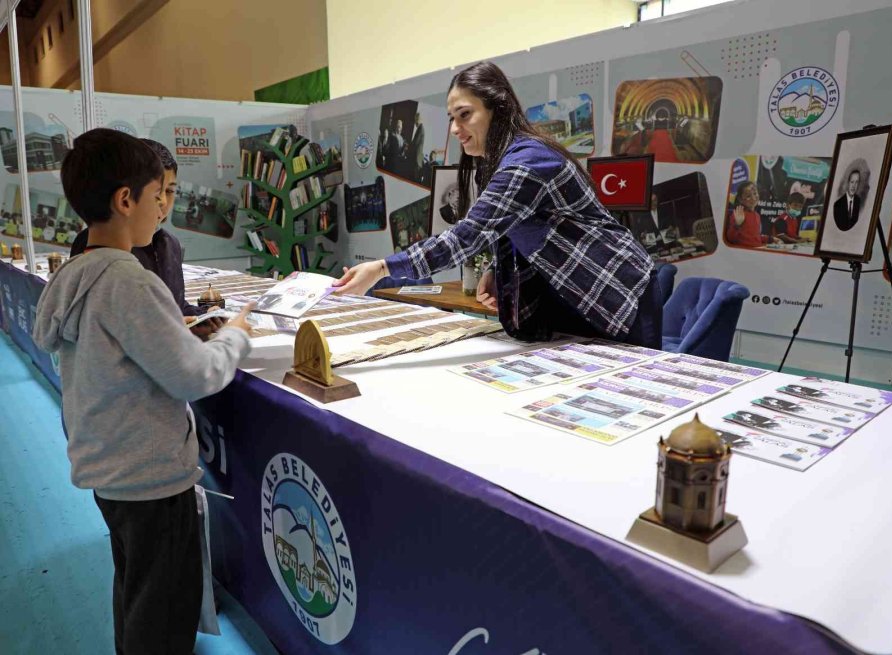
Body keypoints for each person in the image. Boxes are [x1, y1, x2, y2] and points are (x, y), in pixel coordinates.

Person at [32, 128, 254, 655]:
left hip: (111, 476)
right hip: (152, 482)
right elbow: (194, 376)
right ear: (126, 199)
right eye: (158, 197)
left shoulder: (76, 275)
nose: (163, 210)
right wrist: (236, 337)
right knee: (164, 616)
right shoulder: (129, 281)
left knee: (136, 594)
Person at [334, 61, 661, 347]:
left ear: (498, 109)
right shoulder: (497, 163)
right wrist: (494, 268)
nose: (455, 129)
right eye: (451, 117)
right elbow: (514, 225)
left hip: (616, 293)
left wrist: (382, 269)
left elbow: (467, 237)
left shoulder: (527, 162)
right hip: (571, 294)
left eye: (465, 115)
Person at [70, 139, 225, 338]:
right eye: (156, 193)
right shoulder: (96, 247)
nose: (162, 202)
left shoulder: (170, 244)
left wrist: (200, 318)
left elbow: (175, 305)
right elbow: (95, 329)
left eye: (169, 191)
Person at [725, 181, 782, 247]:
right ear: (740, 199)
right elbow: (730, 239)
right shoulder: (738, 214)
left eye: (755, 193)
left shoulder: (757, 215)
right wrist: (737, 225)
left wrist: (772, 239)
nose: (753, 198)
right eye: (748, 196)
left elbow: (754, 237)